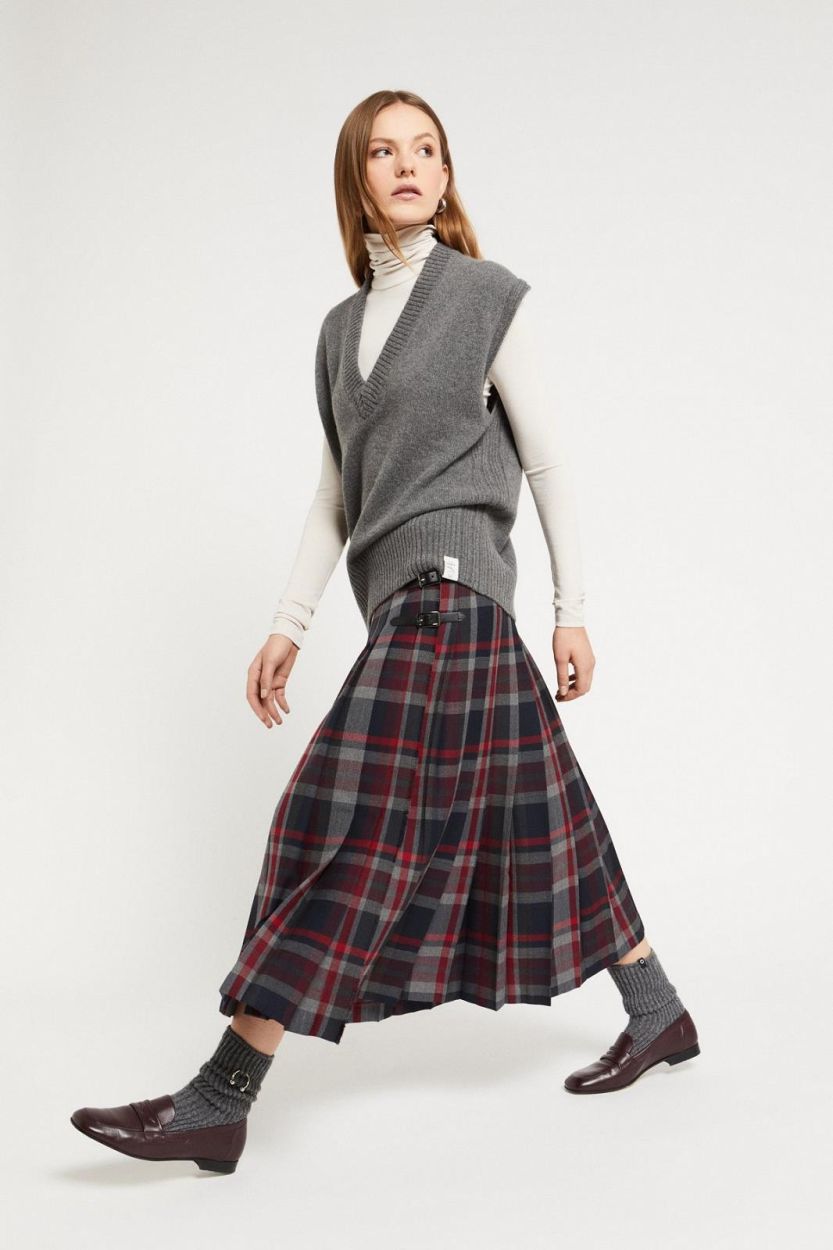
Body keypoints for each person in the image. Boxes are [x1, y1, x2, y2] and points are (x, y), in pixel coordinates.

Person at [71, 89, 700, 1174]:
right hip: (407, 603)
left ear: (446, 176)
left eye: (425, 149)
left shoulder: (485, 297)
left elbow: (547, 460)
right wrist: (288, 623)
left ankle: (220, 1097)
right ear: (355, 178)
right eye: (382, 151)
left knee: (341, 822)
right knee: (544, 813)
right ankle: (658, 1011)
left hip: (453, 594)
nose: (406, 165)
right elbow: (335, 493)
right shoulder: (337, 332)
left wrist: (572, 611)